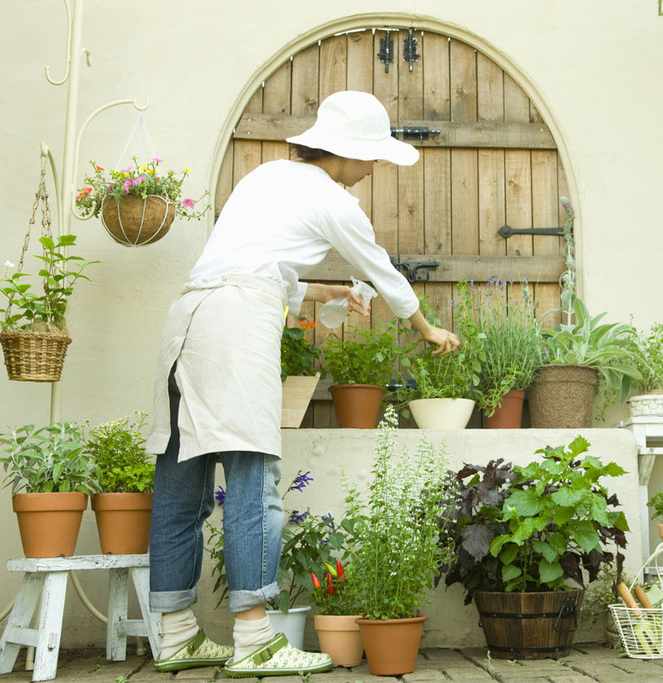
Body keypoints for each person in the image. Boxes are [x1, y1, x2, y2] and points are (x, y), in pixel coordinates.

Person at [146, 91, 460, 677]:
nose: (373, 169)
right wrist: (426, 326)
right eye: (372, 157)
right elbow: (382, 270)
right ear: (349, 152)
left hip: (187, 319)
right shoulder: (336, 201)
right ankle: (255, 638)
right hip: (237, 328)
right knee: (251, 479)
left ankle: (175, 633)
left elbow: (258, 264)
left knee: (180, 483)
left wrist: (323, 293)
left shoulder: (265, 175)